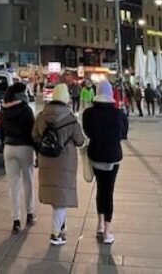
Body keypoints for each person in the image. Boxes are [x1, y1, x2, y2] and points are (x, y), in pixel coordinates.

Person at [31, 84, 86, 246]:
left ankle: (61, 227)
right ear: (66, 98)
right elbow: (80, 140)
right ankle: (55, 234)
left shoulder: (42, 115)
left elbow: (35, 136)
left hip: (46, 160)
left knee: (56, 196)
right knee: (61, 198)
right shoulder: (70, 118)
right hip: (65, 163)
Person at [82, 81, 128, 245]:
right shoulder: (119, 113)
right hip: (112, 158)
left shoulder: (88, 113)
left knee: (100, 189)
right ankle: (108, 231)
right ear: (110, 94)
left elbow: (87, 132)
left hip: (95, 156)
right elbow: (123, 134)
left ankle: (100, 224)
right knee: (108, 192)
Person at [0, 82, 37, 234]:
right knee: (28, 181)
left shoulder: (3, 109)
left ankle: (16, 220)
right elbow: (32, 132)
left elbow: (1, 132)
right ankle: (30, 213)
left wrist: (3, 147)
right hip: (25, 148)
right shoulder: (26, 109)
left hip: (8, 148)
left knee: (13, 185)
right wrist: (37, 151)